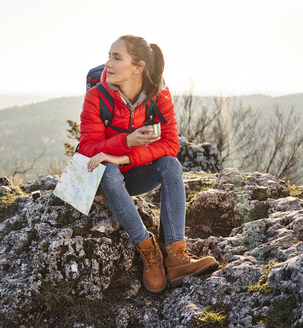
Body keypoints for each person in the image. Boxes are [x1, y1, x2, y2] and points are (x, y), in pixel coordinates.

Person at [77, 35, 219, 293]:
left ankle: (176, 256)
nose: (107, 63)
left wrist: (126, 156)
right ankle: (148, 250)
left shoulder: (158, 95)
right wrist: (127, 141)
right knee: (108, 171)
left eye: (116, 57)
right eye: (109, 56)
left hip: (132, 172)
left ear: (138, 67)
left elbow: (170, 144)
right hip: (99, 177)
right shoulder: (96, 97)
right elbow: (87, 149)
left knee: (170, 164)